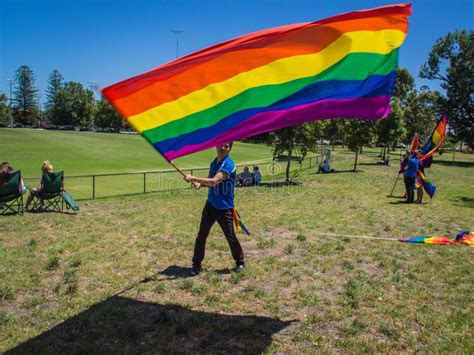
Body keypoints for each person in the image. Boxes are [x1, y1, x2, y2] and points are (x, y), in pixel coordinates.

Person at [184, 143, 245, 276]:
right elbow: (210, 183)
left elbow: (214, 181)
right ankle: (196, 264)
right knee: (201, 235)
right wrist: (200, 183)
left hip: (224, 208)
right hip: (210, 205)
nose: (223, 148)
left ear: (230, 149)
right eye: (221, 145)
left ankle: (240, 261)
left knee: (230, 237)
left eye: (227, 146)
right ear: (216, 145)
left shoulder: (228, 164)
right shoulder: (214, 162)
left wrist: (193, 178)